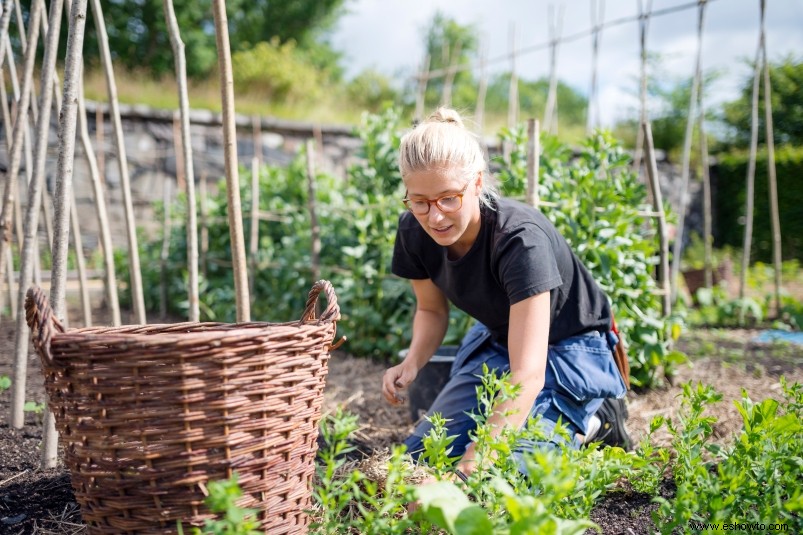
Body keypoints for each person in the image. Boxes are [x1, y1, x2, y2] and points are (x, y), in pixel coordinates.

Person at [382, 107, 631, 478]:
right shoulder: (414, 231)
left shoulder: (519, 240)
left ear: (478, 183)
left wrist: (474, 465)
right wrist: (413, 361)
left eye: (449, 198)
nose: (434, 216)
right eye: (419, 202)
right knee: (420, 459)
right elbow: (431, 311)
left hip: (570, 349)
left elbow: (527, 373)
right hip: (501, 338)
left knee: (506, 473)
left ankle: (595, 418)